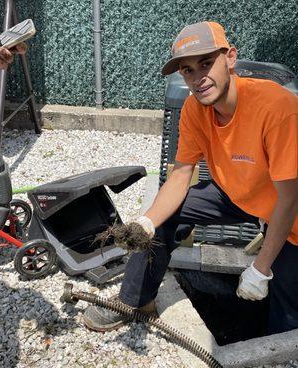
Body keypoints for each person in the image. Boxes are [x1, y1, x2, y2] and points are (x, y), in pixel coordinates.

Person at [84, 21, 298, 335]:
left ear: (231, 58)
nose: (198, 78)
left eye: (206, 63)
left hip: (290, 210)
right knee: (164, 219)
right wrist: (147, 222)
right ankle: (135, 301)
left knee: (287, 309)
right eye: (187, 70)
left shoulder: (277, 109)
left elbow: (290, 198)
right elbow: (181, 175)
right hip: (238, 192)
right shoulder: (195, 109)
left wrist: (261, 268)